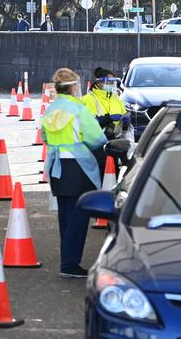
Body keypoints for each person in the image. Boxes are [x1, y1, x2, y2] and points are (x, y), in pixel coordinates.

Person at [41, 68, 106, 278]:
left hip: (56, 167)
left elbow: (44, 136)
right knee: (78, 218)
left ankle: (67, 261)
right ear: (73, 87)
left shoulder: (50, 109)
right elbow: (96, 138)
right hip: (78, 167)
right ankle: (70, 264)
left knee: (65, 216)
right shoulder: (79, 109)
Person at [80, 67, 128, 140]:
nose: (110, 84)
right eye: (107, 81)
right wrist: (107, 118)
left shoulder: (117, 98)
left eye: (112, 82)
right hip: (96, 142)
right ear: (99, 82)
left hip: (116, 141)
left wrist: (125, 123)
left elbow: (124, 116)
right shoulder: (87, 99)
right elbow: (87, 125)